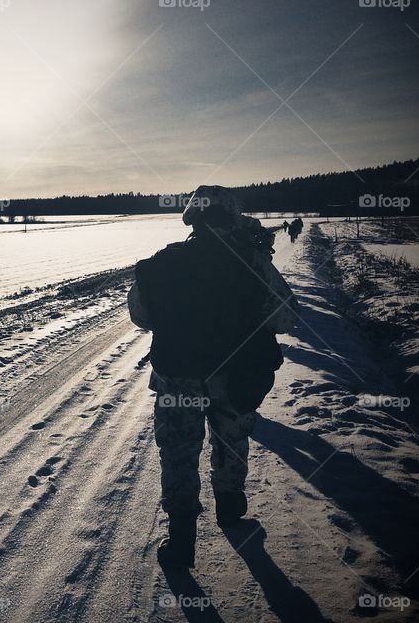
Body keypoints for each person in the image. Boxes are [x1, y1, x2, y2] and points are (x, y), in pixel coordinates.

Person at [128, 185, 300, 567]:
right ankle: (230, 508)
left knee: (178, 451)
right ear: (232, 217)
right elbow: (287, 317)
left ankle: (182, 540)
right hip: (234, 375)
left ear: (193, 218)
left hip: (178, 377)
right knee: (232, 440)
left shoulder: (162, 263)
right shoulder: (253, 263)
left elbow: (141, 315)